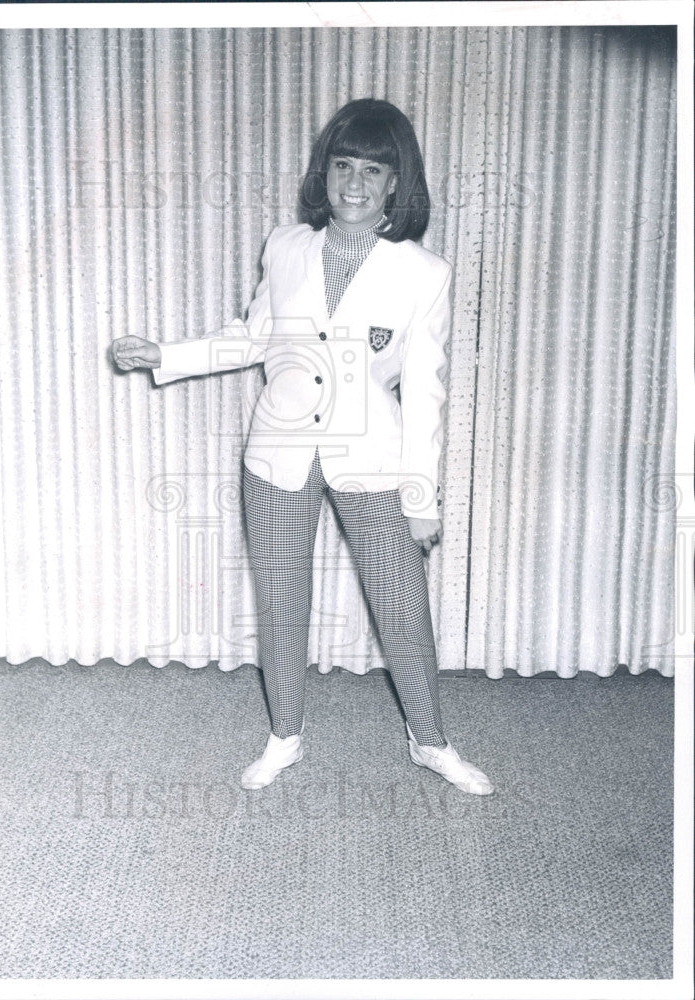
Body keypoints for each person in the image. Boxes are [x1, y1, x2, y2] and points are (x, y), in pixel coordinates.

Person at [112, 98, 493, 796]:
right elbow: (251, 336)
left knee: (403, 609)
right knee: (281, 599)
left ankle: (430, 741)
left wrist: (420, 494)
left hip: (370, 454)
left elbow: (427, 392)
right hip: (277, 451)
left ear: (395, 184)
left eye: (372, 170)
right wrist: (165, 353)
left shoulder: (423, 272)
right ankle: (284, 735)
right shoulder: (286, 247)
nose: (354, 182)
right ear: (327, 173)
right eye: (343, 165)